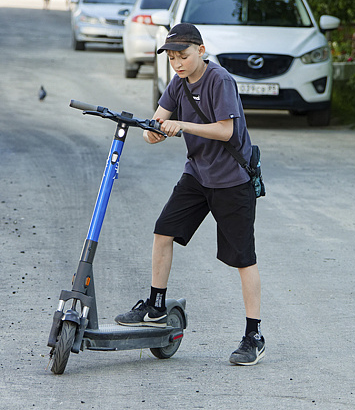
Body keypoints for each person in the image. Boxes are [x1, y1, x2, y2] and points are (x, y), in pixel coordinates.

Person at [114, 23, 265, 366]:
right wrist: (153, 134)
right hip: (197, 176)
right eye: (172, 57)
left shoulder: (219, 80)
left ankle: (253, 335)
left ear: (200, 50)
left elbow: (226, 130)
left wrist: (181, 126)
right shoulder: (177, 84)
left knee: (242, 259)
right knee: (162, 231)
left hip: (231, 181)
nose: (178, 63)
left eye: (183, 55)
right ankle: (155, 305)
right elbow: (157, 122)